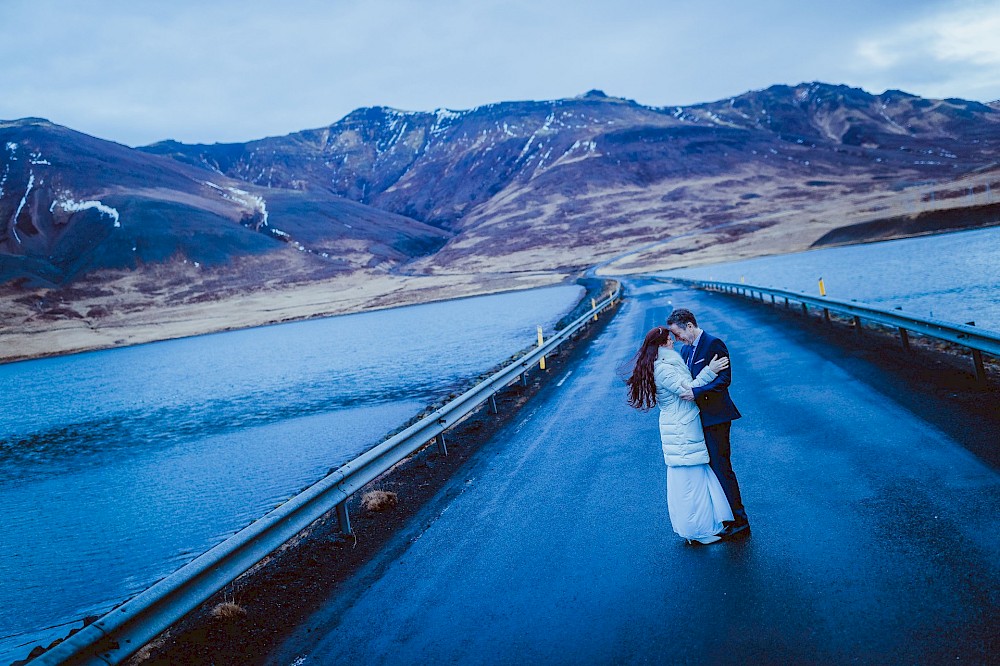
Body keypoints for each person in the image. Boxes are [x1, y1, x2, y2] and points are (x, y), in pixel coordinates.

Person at [627, 326, 734, 544]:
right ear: (660, 345)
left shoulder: (665, 364)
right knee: (690, 484)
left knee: (691, 482)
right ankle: (698, 532)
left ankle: (698, 529)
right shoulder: (664, 369)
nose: (673, 342)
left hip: (680, 427)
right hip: (681, 429)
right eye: (669, 340)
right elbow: (688, 391)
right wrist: (710, 370)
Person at [666, 308, 750, 539]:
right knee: (711, 469)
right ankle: (725, 518)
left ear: (689, 326)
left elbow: (725, 379)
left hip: (717, 417)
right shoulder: (685, 351)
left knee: (722, 468)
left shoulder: (714, 344)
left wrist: (697, 392)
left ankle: (740, 521)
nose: (676, 339)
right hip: (698, 420)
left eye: (677, 333)